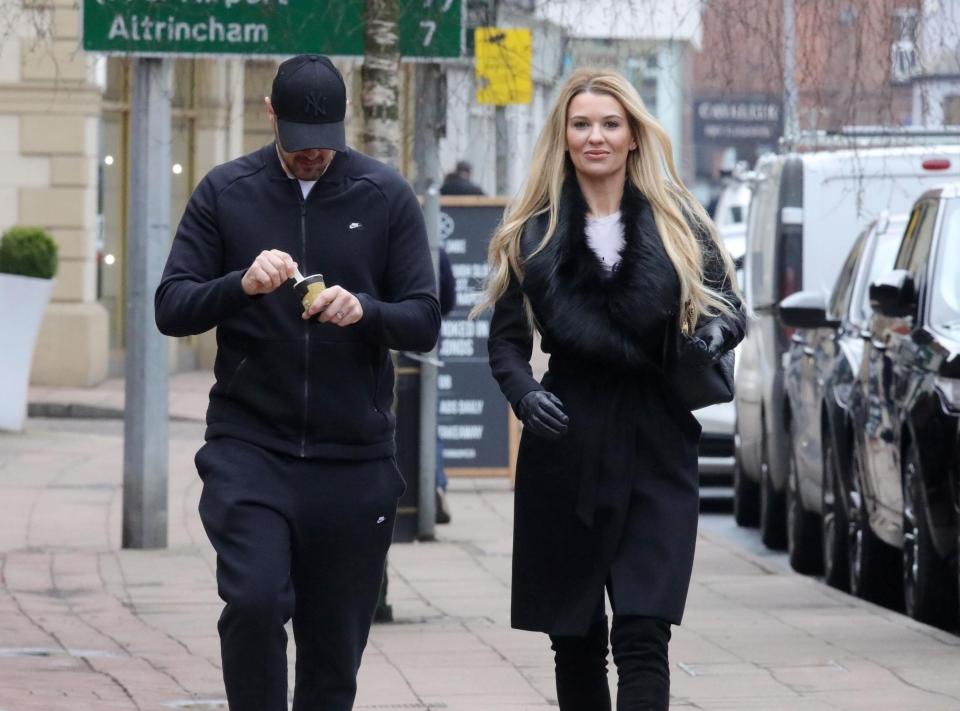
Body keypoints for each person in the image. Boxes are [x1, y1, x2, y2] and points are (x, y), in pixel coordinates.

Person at [154, 54, 440, 711]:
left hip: (355, 456)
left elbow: (424, 319)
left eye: (326, 145)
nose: (313, 157)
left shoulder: (384, 195)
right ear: (270, 116)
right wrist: (241, 285)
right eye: (300, 145)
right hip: (250, 445)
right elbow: (172, 305)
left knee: (333, 653)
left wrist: (364, 311)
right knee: (254, 601)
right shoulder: (226, 192)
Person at [480, 68, 745, 710]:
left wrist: (712, 337)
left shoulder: (678, 221)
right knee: (573, 637)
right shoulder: (531, 232)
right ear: (563, 137)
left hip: (657, 439)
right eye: (581, 125)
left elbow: (729, 306)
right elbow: (506, 342)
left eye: (609, 124)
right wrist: (524, 396)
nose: (595, 136)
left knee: (644, 629)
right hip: (566, 441)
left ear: (632, 136)